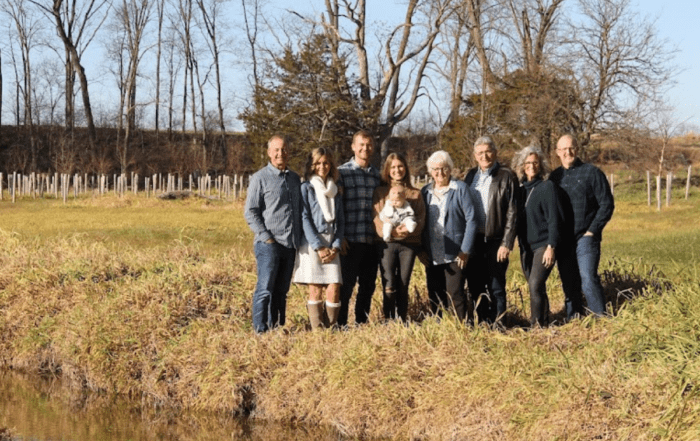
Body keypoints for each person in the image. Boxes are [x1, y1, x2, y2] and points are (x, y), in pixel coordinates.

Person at [550, 134, 614, 318]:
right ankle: (574, 319)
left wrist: (592, 231)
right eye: (563, 149)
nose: (567, 152)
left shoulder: (592, 173)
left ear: (577, 149)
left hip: (585, 237)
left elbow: (606, 204)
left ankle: (600, 318)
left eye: (571, 148)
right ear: (557, 152)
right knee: (569, 282)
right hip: (564, 239)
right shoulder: (554, 177)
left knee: (587, 279)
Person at [244, 134, 302, 333]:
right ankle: (260, 330)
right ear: (269, 153)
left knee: (281, 291)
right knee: (265, 289)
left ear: (289, 152)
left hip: (290, 243)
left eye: (284, 149)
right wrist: (266, 237)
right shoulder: (260, 178)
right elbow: (250, 211)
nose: (280, 153)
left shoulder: (295, 179)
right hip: (269, 244)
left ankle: (277, 328)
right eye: (276, 150)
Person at [464, 136, 518, 324]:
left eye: (488, 151)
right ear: (475, 156)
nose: (484, 156)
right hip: (475, 240)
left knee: (496, 285)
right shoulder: (470, 176)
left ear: (494, 152)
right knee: (476, 284)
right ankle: (483, 321)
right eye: (480, 153)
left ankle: (500, 323)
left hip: (496, 240)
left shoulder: (506, 175)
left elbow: (513, 211)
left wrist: (507, 242)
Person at [421, 150, 477, 321]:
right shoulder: (425, 192)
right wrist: (421, 250)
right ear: (430, 171)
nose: (440, 173)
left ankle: (461, 327)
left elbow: (471, 219)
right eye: (436, 169)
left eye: (444, 168)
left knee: (455, 293)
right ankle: (440, 327)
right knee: (435, 294)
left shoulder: (460, 188)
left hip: (455, 252)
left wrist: (465, 250)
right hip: (433, 252)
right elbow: (420, 223)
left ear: (450, 169)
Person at [292, 147, 344, 329]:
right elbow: (304, 218)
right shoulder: (306, 188)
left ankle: (330, 329)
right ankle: (317, 332)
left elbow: (341, 221)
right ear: (312, 166)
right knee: (315, 288)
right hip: (312, 243)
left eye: (326, 163)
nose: (322, 166)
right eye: (318, 163)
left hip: (332, 243)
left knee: (334, 286)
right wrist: (318, 246)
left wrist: (336, 246)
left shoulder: (335, 189)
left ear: (331, 165)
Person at [513, 146, 564, 326]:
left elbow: (554, 219)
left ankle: (536, 326)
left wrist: (551, 246)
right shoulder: (519, 191)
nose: (531, 166)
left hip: (543, 245)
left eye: (535, 163)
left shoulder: (547, 187)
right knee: (536, 287)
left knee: (535, 284)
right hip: (526, 247)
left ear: (540, 165)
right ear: (522, 166)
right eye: (527, 163)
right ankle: (546, 319)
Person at [372, 153, 425, 321]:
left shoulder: (415, 193)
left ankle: (402, 318)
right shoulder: (380, 192)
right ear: (388, 170)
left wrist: (408, 231)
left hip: (408, 245)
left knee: (403, 283)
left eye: (400, 166)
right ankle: (388, 319)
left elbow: (421, 219)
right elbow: (375, 218)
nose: (397, 170)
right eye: (393, 167)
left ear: (405, 168)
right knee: (388, 283)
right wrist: (391, 232)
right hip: (386, 245)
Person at [337, 130, 382, 326]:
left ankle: (361, 322)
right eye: (361, 144)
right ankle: (340, 323)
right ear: (353, 147)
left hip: (371, 240)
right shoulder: (342, 173)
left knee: (368, 286)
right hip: (350, 239)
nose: (365, 148)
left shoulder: (378, 176)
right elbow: (336, 207)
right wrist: (340, 236)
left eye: (369, 144)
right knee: (346, 286)